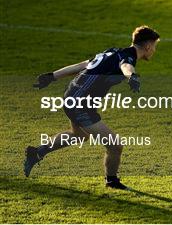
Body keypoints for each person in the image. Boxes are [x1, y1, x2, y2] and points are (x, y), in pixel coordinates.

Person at [24, 25, 160, 189]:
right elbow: (126, 67)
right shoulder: (128, 58)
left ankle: (37, 152)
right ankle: (112, 181)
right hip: (80, 104)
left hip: (72, 95)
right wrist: (132, 76)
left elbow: (83, 65)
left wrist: (52, 76)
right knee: (115, 146)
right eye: (154, 46)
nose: (154, 50)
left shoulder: (112, 52)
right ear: (148, 46)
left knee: (79, 135)